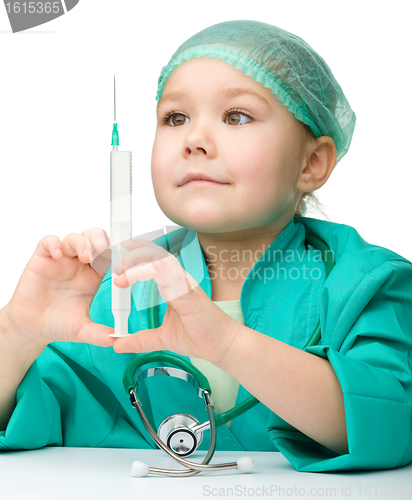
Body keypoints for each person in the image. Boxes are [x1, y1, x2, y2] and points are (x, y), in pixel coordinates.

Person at [1, 20, 411, 473]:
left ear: (312, 162)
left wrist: (229, 343)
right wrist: (17, 333)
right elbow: (31, 414)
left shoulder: (365, 283)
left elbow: (390, 422)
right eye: (175, 118)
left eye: (237, 116)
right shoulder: (117, 290)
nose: (194, 140)